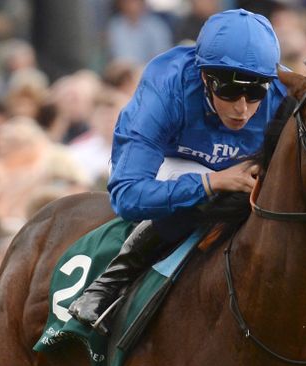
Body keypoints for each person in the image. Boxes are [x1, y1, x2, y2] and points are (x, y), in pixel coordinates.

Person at [69, 9, 286, 333]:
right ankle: (108, 285)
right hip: (171, 162)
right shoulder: (166, 87)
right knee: (201, 197)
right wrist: (211, 182)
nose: (242, 108)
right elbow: (128, 197)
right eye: (229, 91)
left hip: (244, 167)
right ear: (205, 77)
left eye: (255, 93)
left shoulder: (284, 94)